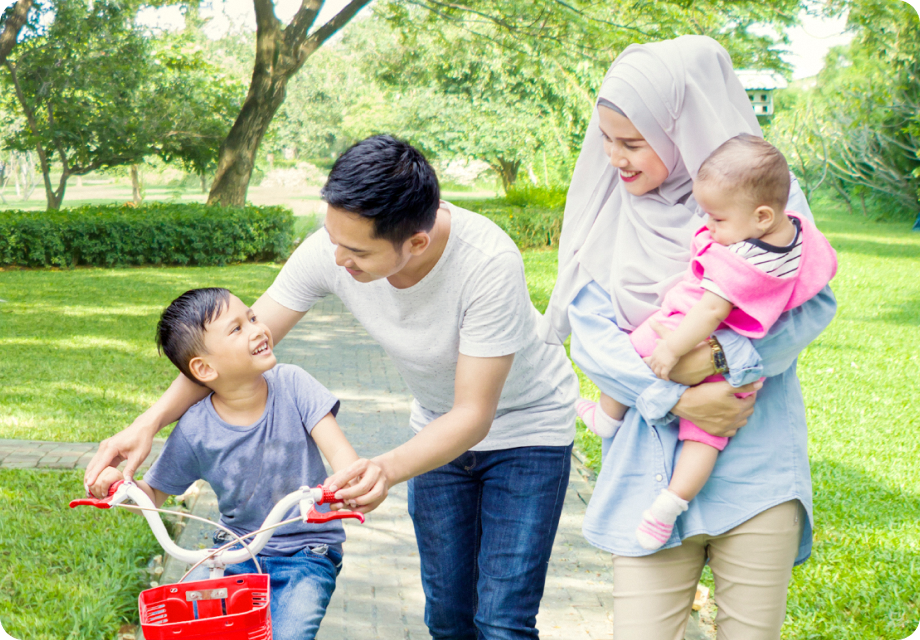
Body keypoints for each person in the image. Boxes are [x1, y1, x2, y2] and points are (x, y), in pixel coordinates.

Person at [85, 135, 579, 640]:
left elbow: (475, 413)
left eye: (357, 250)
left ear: (416, 243)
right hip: (436, 428)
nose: (338, 257)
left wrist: (384, 469)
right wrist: (147, 424)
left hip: (527, 431)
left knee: (501, 620)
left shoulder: (487, 263)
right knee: (449, 617)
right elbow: (228, 360)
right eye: (332, 238)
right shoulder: (335, 246)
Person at [540, 36, 837, 639]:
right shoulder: (610, 207)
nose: (614, 159)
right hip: (646, 473)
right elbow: (594, 339)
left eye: (633, 142)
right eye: (606, 139)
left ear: (682, 126)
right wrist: (675, 397)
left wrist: (720, 355)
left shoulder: (764, 199)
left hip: (755, 471)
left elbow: (812, 307)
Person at [574, 134, 837, 551]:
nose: (708, 228)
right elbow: (816, 279)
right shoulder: (794, 239)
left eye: (716, 220)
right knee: (706, 439)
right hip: (741, 352)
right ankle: (670, 506)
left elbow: (709, 311)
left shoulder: (738, 261)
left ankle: (607, 417)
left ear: (762, 215)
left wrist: (675, 350)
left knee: (635, 346)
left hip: (690, 331)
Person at [90, 287, 360, 640]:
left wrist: (349, 484)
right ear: (203, 367)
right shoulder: (195, 428)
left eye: (252, 317)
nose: (258, 329)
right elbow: (153, 494)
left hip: (307, 551)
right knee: (196, 628)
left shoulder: (293, 385)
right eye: (237, 329)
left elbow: (344, 459)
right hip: (235, 551)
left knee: (289, 633)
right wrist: (119, 487)